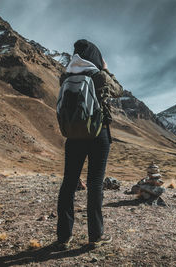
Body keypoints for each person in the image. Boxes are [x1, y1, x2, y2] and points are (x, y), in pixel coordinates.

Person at [56, 39, 123, 249]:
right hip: (97, 133)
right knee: (95, 183)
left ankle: (63, 237)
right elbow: (118, 90)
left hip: (73, 136)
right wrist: (106, 70)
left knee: (68, 183)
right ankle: (95, 236)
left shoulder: (65, 76)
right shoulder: (99, 76)